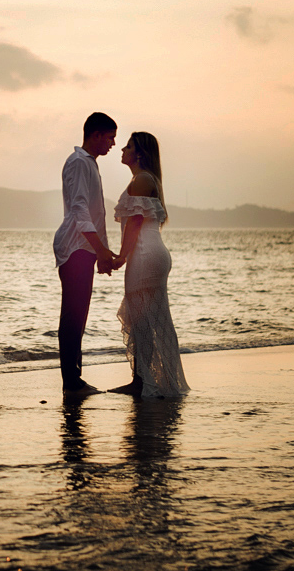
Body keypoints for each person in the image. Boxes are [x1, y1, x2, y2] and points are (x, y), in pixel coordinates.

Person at [110, 132, 189, 398]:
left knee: (142, 317)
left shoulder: (142, 179)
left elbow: (134, 222)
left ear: (140, 153)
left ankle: (144, 382)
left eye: (128, 145)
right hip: (151, 253)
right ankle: (149, 379)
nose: (122, 149)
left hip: (144, 254)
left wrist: (121, 256)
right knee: (150, 317)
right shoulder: (143, 179)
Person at [53, 112, 119, 394]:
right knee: (73, 315)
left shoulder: (88, 163)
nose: (113, 144)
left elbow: (89, 212)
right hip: (76, 247)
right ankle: (71, 383)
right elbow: (80, 211)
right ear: (96, 135)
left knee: (78, 315)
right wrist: (101, 251)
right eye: (110, 137)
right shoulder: (80, 163)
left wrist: (100, 252)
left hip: (83, 248)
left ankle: (74, 380)